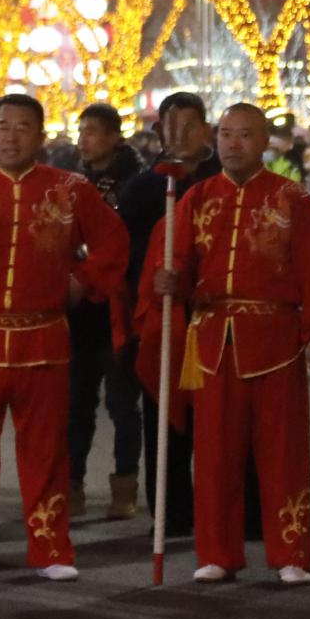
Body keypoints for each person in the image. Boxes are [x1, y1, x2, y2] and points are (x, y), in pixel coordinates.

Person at [0, 93, 127, 579]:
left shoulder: (71, 190)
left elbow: (113, 242)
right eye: (2, 126)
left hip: (43, 339)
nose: (10, 135)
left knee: (45, 452)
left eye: (22, 127)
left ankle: (51, 550)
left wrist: (82, 283)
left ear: (39, 135)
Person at [149, 105, 310, 585]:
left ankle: (290, 553)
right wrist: (168, 280)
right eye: (227, 135)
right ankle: (217, 552)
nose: (233, 144)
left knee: (282, 453)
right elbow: (176, 261)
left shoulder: (292, 199)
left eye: (245, 135)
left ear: (263, 143)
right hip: (212, 341)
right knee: (214, 453)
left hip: (275, 340)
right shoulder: (195, 198)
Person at [120, 92, 219, 531]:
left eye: (190, 125)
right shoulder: (144, 188)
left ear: (207, 131)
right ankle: (171, 512)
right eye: (171, 125)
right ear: (159, 132)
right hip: (164, 320)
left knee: (221, 419)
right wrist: (152, 279)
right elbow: (125, 254)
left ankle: (228, 508)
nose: (180, 135)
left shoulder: (226, 180)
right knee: (163, 417)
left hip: (217, 319)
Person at [66, 103, 144, 519]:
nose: (85, 139)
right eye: (82, 131)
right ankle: (71, 484)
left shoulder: (136, 182)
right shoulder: (71, 181)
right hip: (80, 310)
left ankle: (125, 485)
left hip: (118, 307)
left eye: (93, 131)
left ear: (115, 136)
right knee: (76, 402)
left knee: (120, 402)